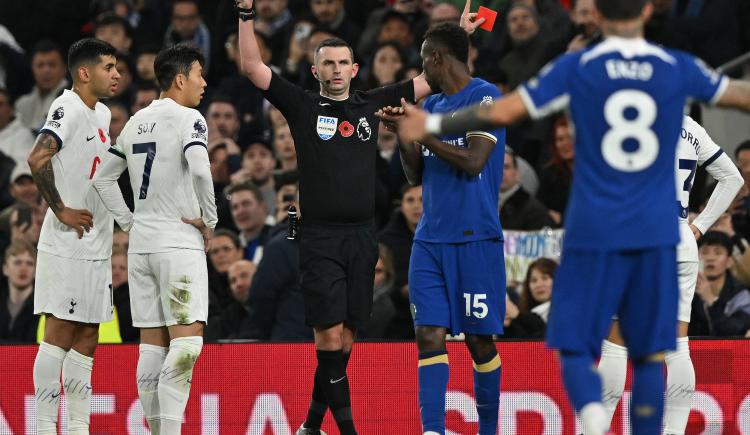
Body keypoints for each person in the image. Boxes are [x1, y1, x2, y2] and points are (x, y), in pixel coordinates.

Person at [393, 1, 750, 433]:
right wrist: (698, 225)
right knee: (674, 346)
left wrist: (428, 125)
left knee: (612, 347)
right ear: (650, 10)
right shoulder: (677, 68)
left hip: (617, 232)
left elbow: (506, 110)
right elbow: (738, 102)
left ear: (596, 14)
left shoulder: (579, 67)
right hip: (676, 235)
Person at [235, 0, 483, 433]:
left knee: (344, 344)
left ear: (355, 68)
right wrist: (244, 13)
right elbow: (253, 66)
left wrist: (460, 33)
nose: (335, 69)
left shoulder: (376, 102)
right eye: (327, 62)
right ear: (316, 72)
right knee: (328, 340)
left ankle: (310, 426)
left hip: (363, 238)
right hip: (318, 237)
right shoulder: (301, 105)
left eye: (342, 62)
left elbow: (432, 77)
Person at [377, 21, 505, 435]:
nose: (421, 72)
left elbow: (473, 162)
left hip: (476, 239)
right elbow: (414, 176)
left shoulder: (485, 96)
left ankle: (488, 429)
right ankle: (433, 430)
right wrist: (404, 136)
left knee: (478, 341)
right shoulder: (430, 106)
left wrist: (424, 135)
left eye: (422, 62)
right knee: (429, 334)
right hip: (430, 240)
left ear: (435, 58)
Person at [92, 43, 216, 434]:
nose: (204, 82)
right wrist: (210, 218)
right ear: (180, 79)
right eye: (198, 74)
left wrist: (129, 223)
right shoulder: (190, 117)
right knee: (187, 342)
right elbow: (199, 168)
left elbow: (102, 179)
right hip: (178, 241)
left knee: (152, 345)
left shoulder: (134, 121)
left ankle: (158, 430)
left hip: (141, 246)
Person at [597, 115, 743, 433]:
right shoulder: (689, 125)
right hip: (680, 241)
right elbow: (733, 178)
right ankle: (675, 430)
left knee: (617, 342)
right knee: (677, 344)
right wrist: (699, 227)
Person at [27, 38, 128, 435]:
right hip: (67, 243)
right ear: (84, 73)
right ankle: (42, 428)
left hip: (96, 243)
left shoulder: (100, 113)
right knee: (59, 333)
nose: (117, 73)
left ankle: (77, 428)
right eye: (108, 67)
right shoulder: (66, 107)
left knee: (88, 335)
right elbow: (37, 158)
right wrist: (60, 209)